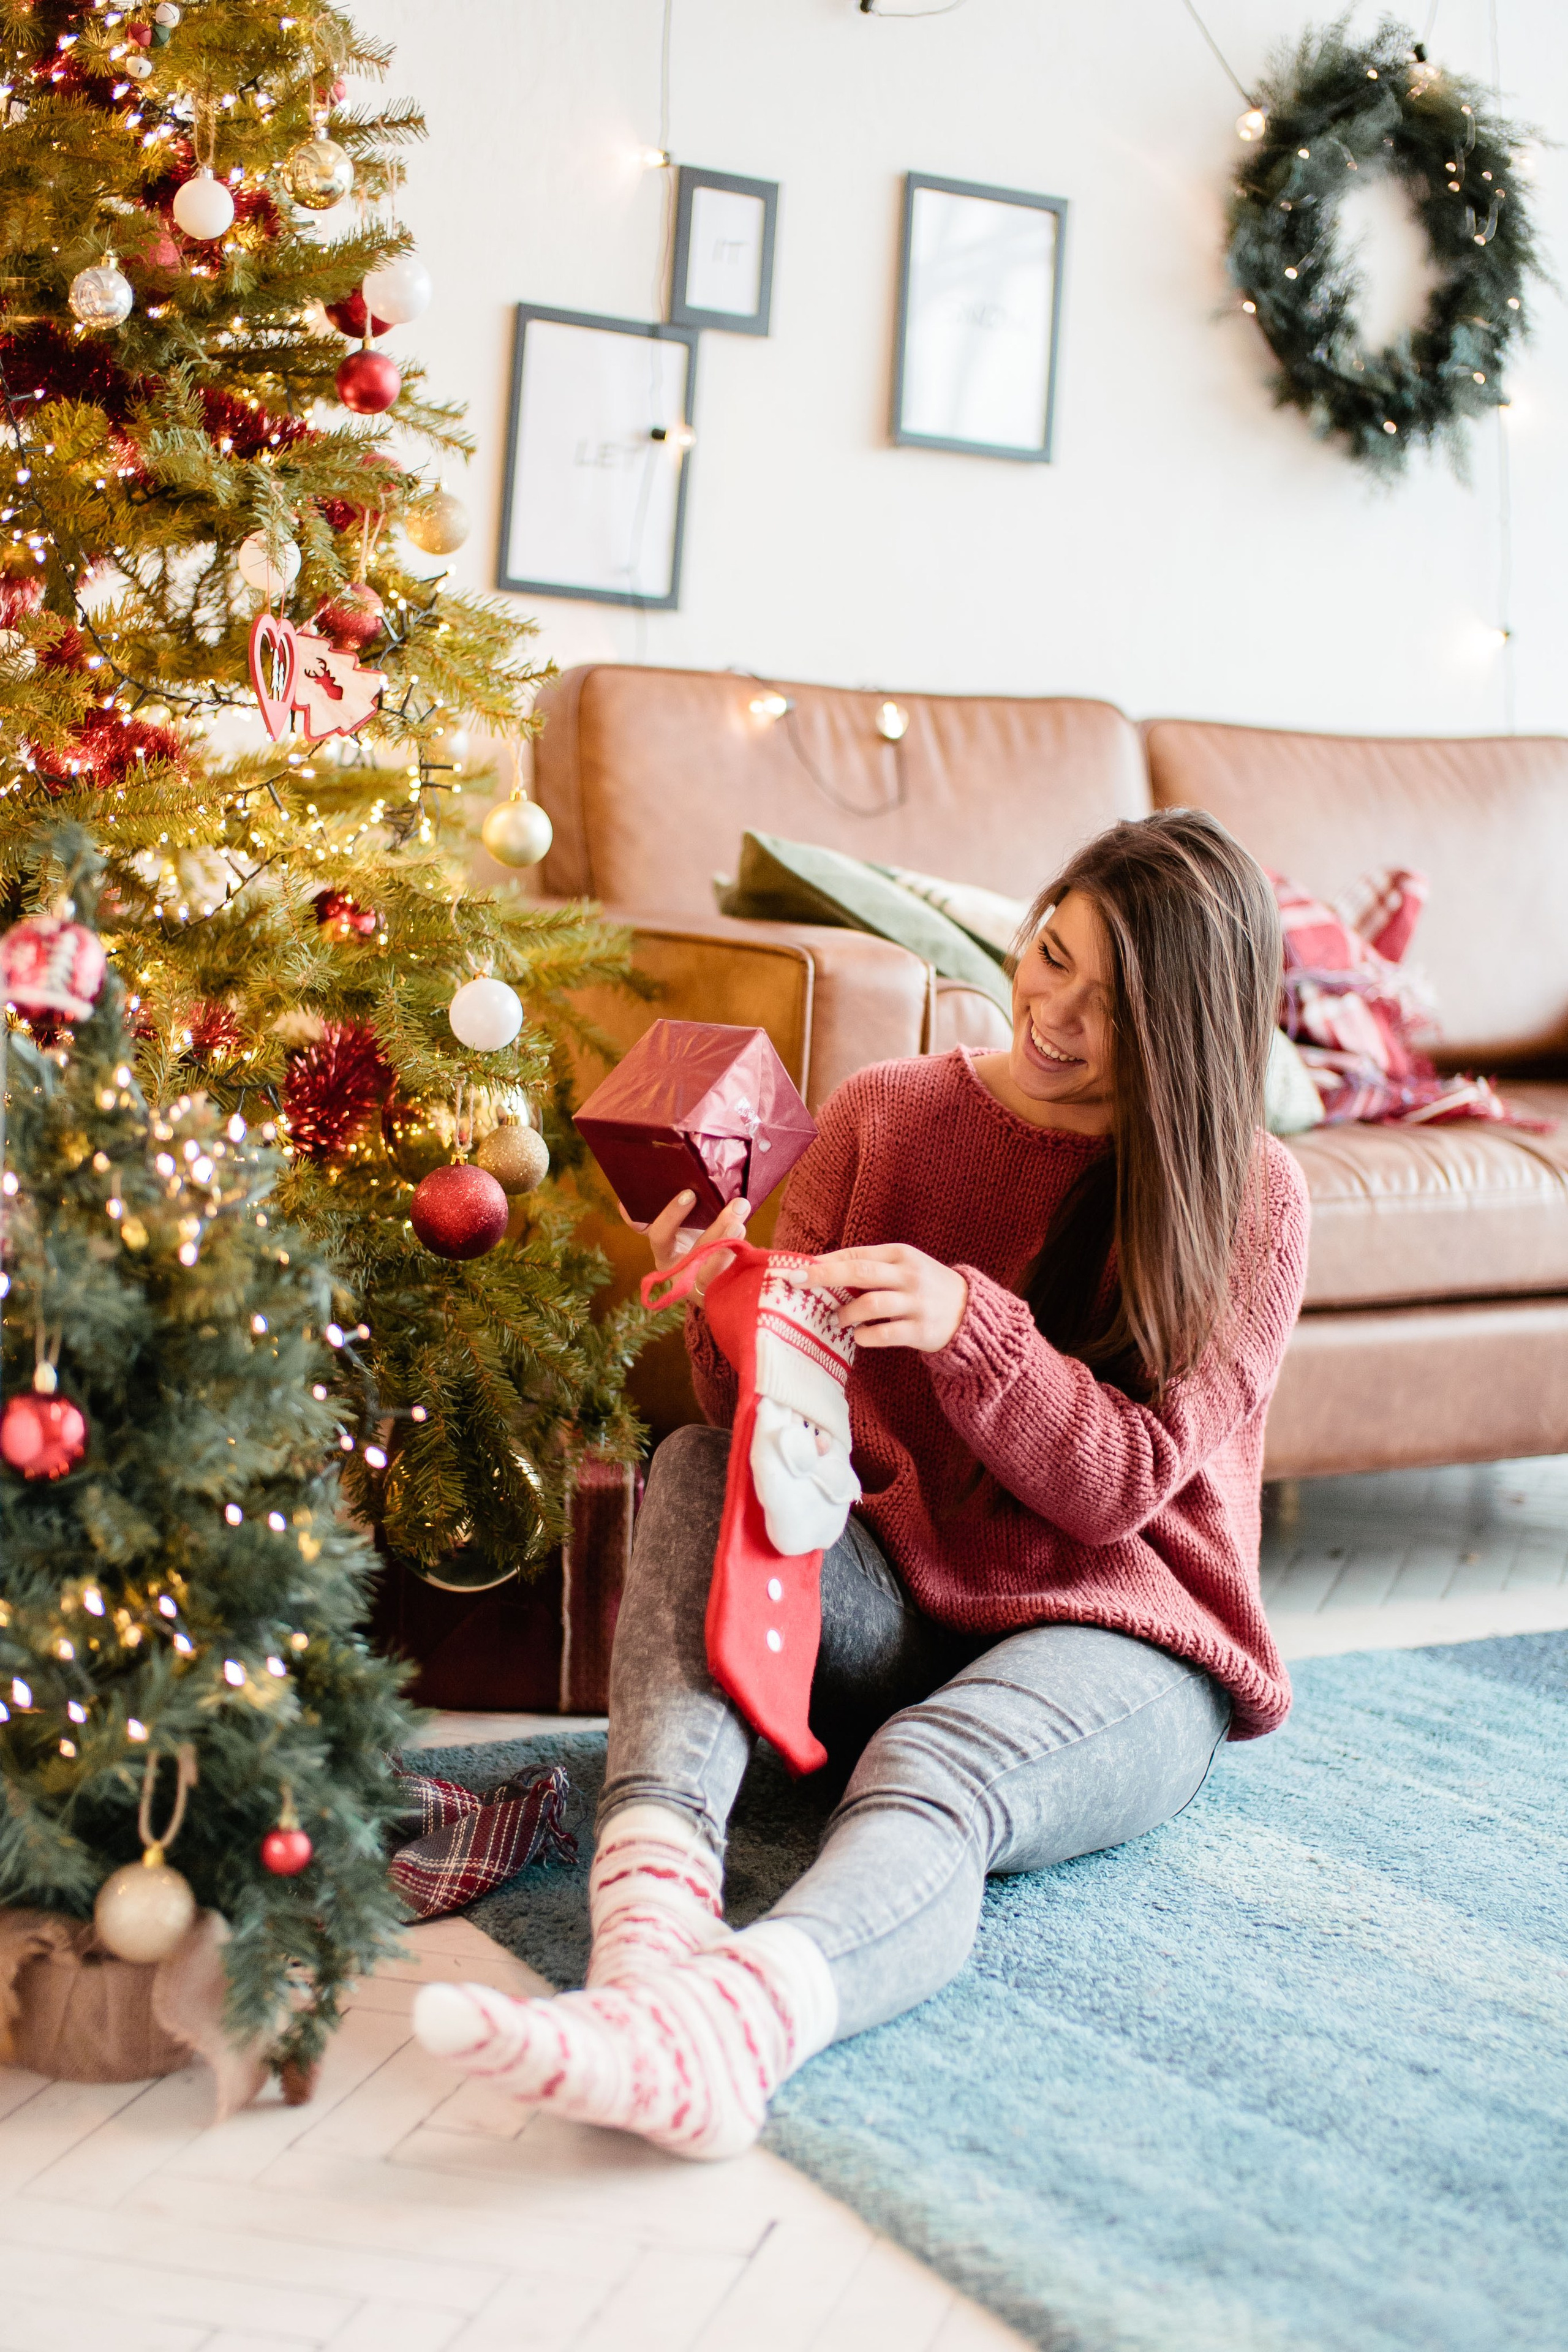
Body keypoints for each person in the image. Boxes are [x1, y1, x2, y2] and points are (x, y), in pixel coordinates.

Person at [414, 809, 1310, 2158]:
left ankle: (738, 2030)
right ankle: (648, 1938)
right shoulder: (889, 1114)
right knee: (697, 1460)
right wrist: (733, 1301)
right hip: (886, 1597)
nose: (1053, 1013)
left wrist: (973, 1329)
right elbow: (772, 1433)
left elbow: (1117, 1489)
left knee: (930, 1766)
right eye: (1049, 953)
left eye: (1111, 1005)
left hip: (1120, 1629)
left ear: (1185, 1027)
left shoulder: (1246, 1198)